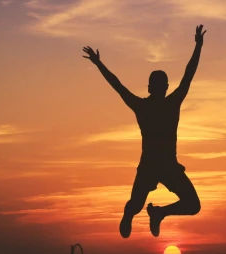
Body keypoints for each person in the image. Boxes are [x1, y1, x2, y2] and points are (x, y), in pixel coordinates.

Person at [83, 25, 206, 238]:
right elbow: (117, 85)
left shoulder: (169, 103)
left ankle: (158, 213)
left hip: (168, 166)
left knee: (193, 205)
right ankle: (129, 214)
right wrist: (98, 64)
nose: (161, 88)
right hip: (149, 167)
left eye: (162, 85)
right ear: (151, 87)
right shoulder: (145, 106)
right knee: (136, 205)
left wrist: (198, 47)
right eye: (158, 85)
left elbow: (188, 75)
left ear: (164, 87)